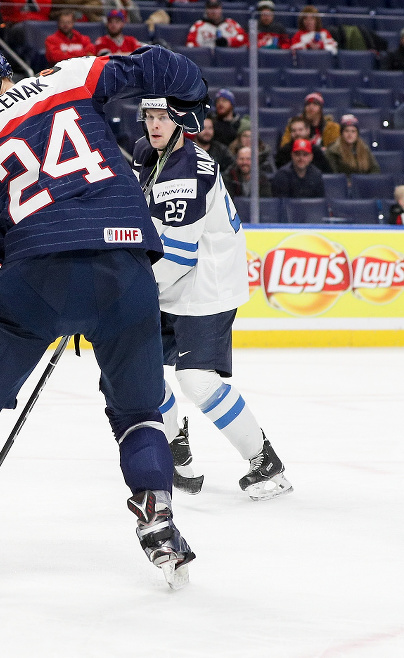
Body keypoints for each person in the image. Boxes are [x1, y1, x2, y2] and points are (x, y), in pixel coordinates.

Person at [0, 40, 209, 590]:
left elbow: (0, 239)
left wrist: (54, 290)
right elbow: (161, 67)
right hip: (125, 267)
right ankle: (159, 521)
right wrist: (191, 92)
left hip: (37, 273)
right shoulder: (70, 75)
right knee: (139, 410)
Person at [132, 98, 292, 501]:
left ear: (180, 120)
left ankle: (264, 460)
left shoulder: (188, 171)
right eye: (149, 117)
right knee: (139, 358)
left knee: (197, 381)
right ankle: (174, 446)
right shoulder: (144, 151)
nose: (154, 125)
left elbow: (181, 256)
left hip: (207, 281)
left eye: (163, 117)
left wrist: (133, 288)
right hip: (172, 276)